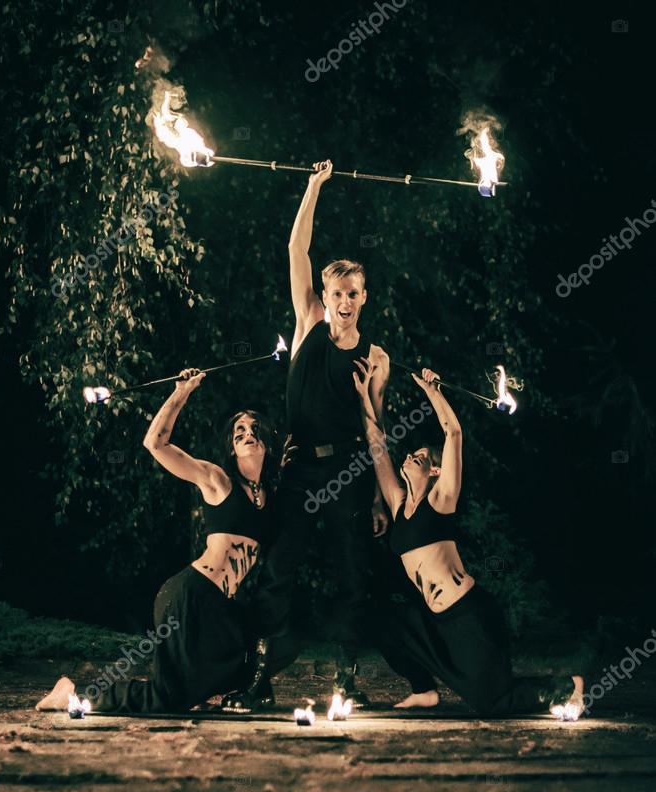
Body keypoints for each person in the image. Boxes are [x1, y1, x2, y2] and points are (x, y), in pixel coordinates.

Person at [36, 369, 279, 715]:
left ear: (267, 439)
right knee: (168, 698)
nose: (248, 434)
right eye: (239, 431)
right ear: (231, 445)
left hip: (219, 607)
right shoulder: (218, 480)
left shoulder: (268, 496)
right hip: (190, 597)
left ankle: (199, 689)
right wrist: (181, 393)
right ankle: (73, 694)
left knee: (232, 666)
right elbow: (155, 444)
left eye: (255, 429)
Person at [352, 358, 585, 720]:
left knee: (490, 703)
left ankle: (568, 686)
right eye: (412, 453)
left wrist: (433, 391)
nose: (411, 455)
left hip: (468, 615)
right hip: (433, 618)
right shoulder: (399, 505)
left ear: (436, 470)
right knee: (381, 622)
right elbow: (376, 444)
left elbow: (454, 435)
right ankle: (424, 691)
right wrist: (365, 395)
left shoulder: (441, 500)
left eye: (422, 456)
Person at [245, 159, 390, 711]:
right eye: (336, 292)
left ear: (364, 296)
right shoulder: (307, 320)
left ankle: (345, 681)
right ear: (324, 296)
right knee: (278, 570)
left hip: (350, 472)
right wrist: (314, 186)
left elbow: (377, 430)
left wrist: (378, 496)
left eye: (353, 293)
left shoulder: (376, 358)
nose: (344, 301)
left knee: (352, 575)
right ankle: (259, 677)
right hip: (301, 468)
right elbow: (296, 248)